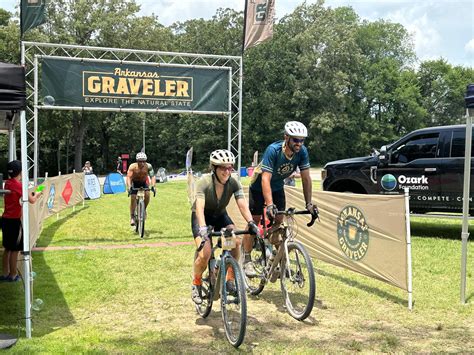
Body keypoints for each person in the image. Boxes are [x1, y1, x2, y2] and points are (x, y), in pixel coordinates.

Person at [242, 121, 318, 276]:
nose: (299, 143)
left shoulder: (302, 152)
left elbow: (306, 178)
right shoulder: (273, 150)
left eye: (302, 140)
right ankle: (246, 259)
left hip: (277, 187)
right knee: (254, 221)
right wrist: (269, 204)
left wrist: (308, 203)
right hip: (258, 187)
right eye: (295, 140)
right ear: (286, 137)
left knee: (279, 221)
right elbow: (265, 179)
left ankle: (277, 259)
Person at [191, 149, 259, 305]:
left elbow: (242, 203)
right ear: (214, 168)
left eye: (230, 168)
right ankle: (196, 283)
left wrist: (251, 222)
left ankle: (229, 278)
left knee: (235, 241)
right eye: (223, 168)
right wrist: (202, 228)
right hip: (201, 218)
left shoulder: (233, 182)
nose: (227, 171)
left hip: (220, 215)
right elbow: (199, 207)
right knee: (205, 253)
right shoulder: (204, 182)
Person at [1, 160, 42, 282]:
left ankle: (5, 273)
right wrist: (38, 193)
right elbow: (32, 200)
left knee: (7, 248)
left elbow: (22, 194)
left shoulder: (8, 183)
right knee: (14, 249)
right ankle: (13, 275)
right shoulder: (18, 186)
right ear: (20, 172)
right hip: (14, 221)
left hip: (6, 220)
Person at [126, 152, 156, 226]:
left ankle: (143, 210)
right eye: (140, 161)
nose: (142, 163)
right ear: (137, 161)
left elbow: (152, 176)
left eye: (144, 161)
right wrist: (129, 187)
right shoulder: (132, 167)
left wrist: (153, 186)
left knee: (148, 194)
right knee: (133, 197)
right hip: (134, 183)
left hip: (143, 183)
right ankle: (132, 216)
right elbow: (129, 177)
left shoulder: (148, 166)